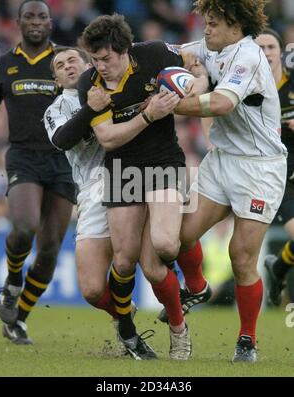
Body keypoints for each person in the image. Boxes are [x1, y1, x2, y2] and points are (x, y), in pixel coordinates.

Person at [77, 13, 212, 360]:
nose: (100, 66)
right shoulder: (90, 85)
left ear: (125, 50)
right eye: (94, 59)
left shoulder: (154, 53)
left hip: (164, 162)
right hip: (121, 169)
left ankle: (188, 304)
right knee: (126, 264)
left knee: (165, 247)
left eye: (106, 58)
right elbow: (107, 139)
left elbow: (195, 62)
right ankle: (141, 331)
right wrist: (150, 114)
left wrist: (195, 82)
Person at [175, 0, 287, 362]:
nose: (204, 30)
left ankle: (247, 341)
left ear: (235, 25)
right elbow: (175, 51)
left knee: (240, 257)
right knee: (181, 236)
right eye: (204, 23)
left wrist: (171, 106)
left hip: (259, 168)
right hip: (222, 160)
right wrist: (189, 66)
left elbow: (222, 104)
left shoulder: (249, 56)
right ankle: (196, 286)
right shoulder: (212, 45)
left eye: (212, 23)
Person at [44, 45, 145, 358]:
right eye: (60, 65)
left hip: (134, 175)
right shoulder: (56, 109)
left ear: (89, 64)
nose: (69, 66)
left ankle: (181, 310)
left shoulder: (116, 84)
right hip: (93, 188)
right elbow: (62, 139)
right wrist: (90, 108)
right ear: (57, 80)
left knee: (158, 255)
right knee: (90, 289)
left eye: (73, 59)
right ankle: (124, 318)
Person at [0, 0, 76, 344]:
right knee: (24, 227)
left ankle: (20, 318)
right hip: (23, 157)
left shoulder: (65, 61)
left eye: (42, 16)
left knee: (50, 249)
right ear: (18, 22)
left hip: (63, 160)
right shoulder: (5, 64)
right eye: (29, 16)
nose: (36, 22)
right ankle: (12, 281)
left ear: (50, 22)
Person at [255, 29, 294, 306]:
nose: (267, 53)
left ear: (281, 51)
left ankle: (280, 265)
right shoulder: (251, 90)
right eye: (261, 48)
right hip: (278, 176)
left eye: (271, 47)